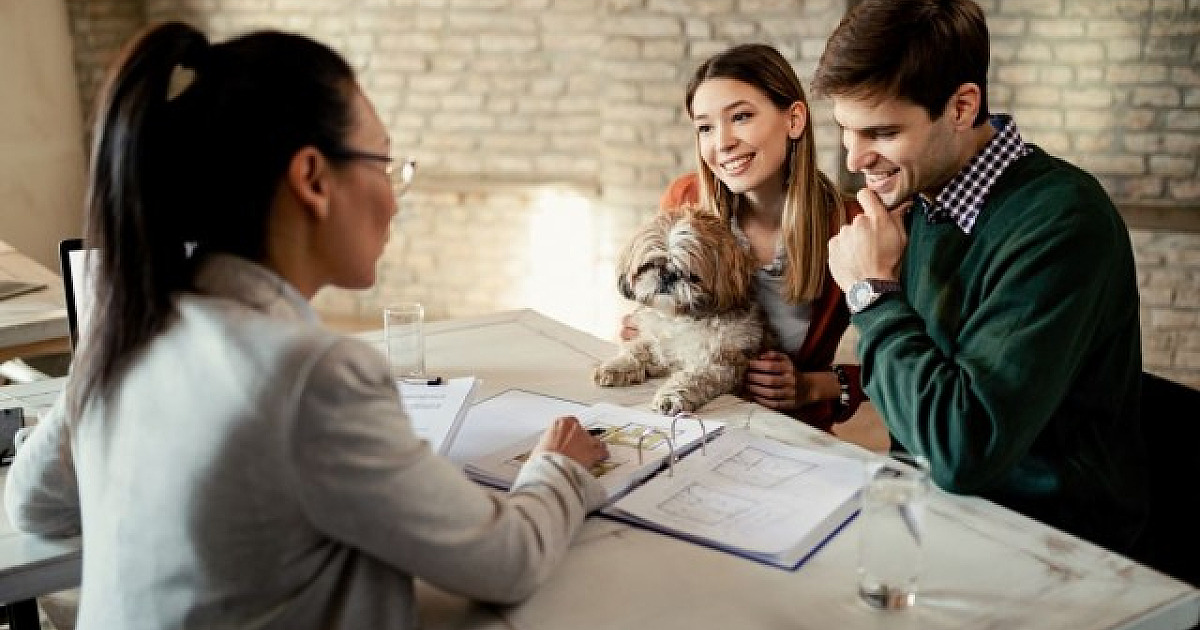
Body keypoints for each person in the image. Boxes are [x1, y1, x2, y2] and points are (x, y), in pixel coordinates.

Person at [5, 22, 609, 629]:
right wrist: (558, 467)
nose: (395, 198)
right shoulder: (311, 374)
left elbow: (31, 504)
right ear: (313, 179)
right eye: (383, 162)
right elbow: (509, 560)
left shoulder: (130, 329)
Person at [814, 0, 1147, 553]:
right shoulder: (920, 202)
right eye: (846, 131)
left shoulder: (1063, 222)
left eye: (882, 132)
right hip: (938, 516)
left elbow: (961, 451)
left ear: (962, 106)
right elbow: (919, 405)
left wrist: (871, 295)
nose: (854, 160)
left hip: (1055, 546)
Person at [625, 43, 865, 432]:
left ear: (794, 120)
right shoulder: (685, 199)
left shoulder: (851, 224)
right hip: (688, 422)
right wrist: (651, 323)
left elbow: (903, 359)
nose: (722, 143)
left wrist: (813, 386)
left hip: (784, 433)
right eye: (705, 127)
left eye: (740, 117)